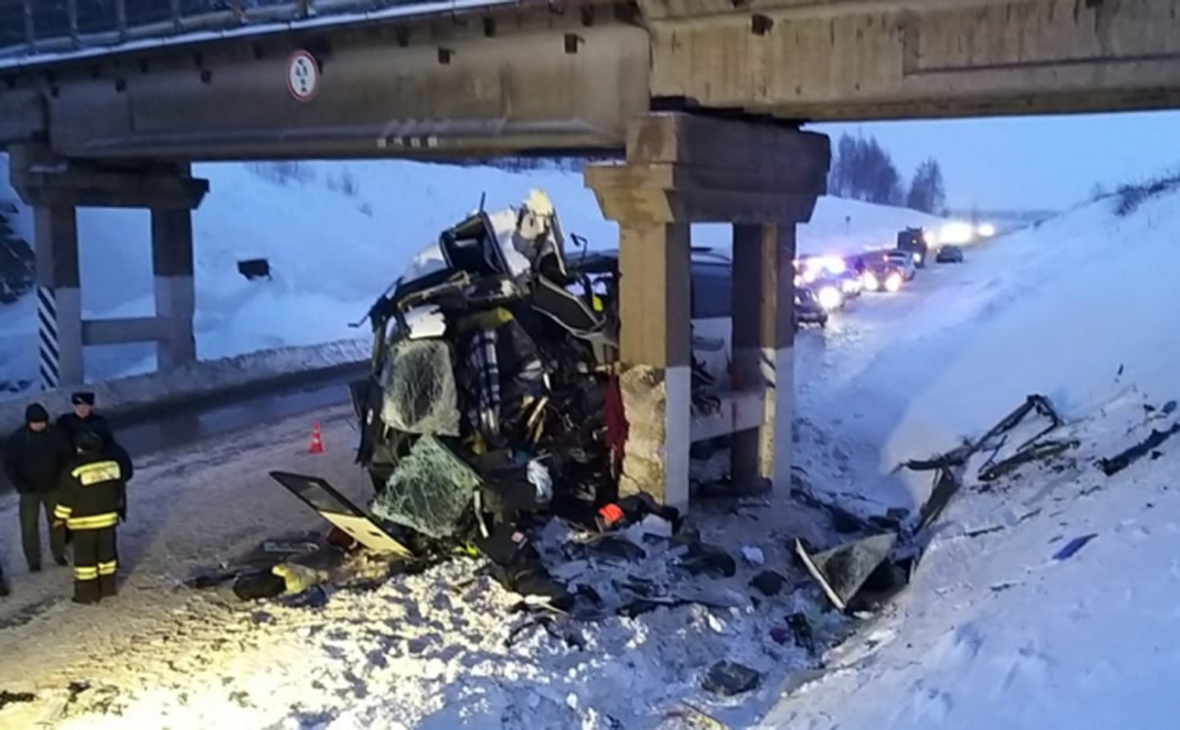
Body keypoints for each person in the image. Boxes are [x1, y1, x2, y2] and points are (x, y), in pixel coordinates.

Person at [54, 431, 126, 605]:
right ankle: (108, 588)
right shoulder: (113, 466)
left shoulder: (74, 471)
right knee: (107, 556)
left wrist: (59, 518)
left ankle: (87, 594)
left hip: (84, 523)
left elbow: (67, 499)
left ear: (79, 448)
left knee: (86, 561)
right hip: (108, 519)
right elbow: (119, 490)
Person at [4, 403, 70, 571]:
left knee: (57, 522)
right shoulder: (17, 440)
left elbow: (67, 459)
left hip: (54, 488)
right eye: (35, 422)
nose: (39, 425)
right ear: (28, 422)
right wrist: (22, 485)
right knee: (29, 526)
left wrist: (61, 480)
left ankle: (59, 553)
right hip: (28, 492)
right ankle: (33, 560)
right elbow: (9, 466)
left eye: (42, 422)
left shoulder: (57, 435)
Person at [57, 391, 133, 484]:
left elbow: (109, 444)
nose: (82, 409)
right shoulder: (65, 422)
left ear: (90, 407)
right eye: (79, 406)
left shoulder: (99, 422)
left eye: (85, 406)